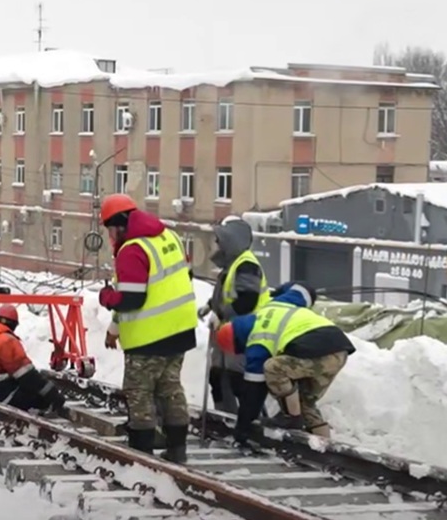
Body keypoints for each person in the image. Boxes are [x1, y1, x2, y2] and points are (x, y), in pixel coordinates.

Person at [95, 193, 197, 464]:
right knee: (170, 388)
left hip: (150, 337)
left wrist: (106, 298)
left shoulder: (132, 250)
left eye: (109, 229)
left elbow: (131, 299)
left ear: (117, 225)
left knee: (139, 393)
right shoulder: (170, 238)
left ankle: (142, 455)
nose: (110, 236)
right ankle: (177, 449)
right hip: (181, 330)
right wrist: (114, 329)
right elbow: (178, 280)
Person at [220, 282, 355, 441]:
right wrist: (280, 290)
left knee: (273, 368)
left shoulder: (258, 340)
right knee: (304, 402)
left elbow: (253, 391)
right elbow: (304, 288)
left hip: (317, 352)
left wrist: (243, 429)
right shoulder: (278, 303)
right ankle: (328, 450)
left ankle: (292, 419)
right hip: (339, 349)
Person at [205, 218, 268, 415]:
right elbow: (226, 293)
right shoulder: (232, 265)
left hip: (244, 331)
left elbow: (247, 300)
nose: (216, 244)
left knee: (238, 379)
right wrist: (210, 306)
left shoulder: (246, 265)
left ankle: (252, 421)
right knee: (218, 377)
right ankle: (225, 418)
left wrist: (221, 314)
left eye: (219, 240)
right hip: (227, 331)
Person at [0, 304, 67, 414]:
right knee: (39, 397)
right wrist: (52, 394)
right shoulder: (6, 340)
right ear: (13, 324)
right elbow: (27, 376)